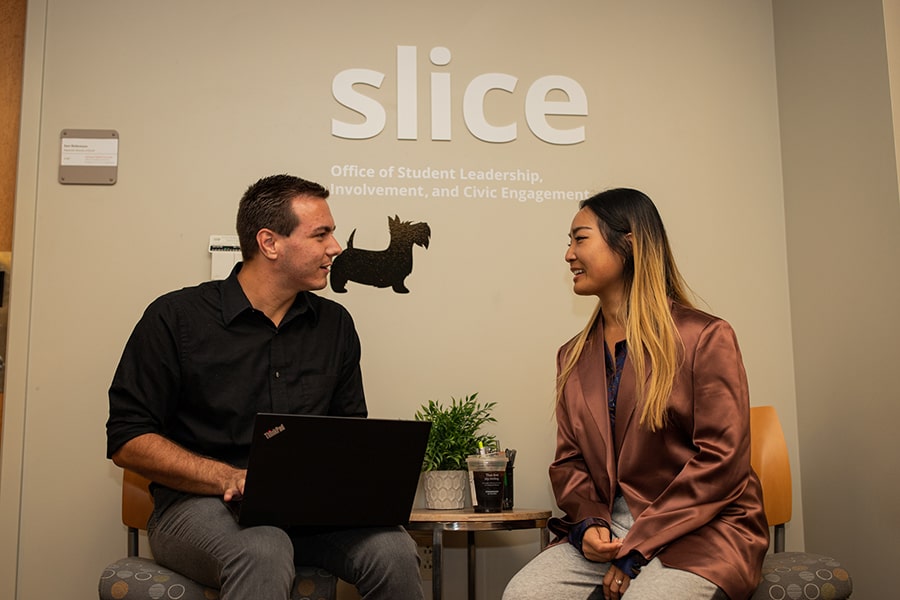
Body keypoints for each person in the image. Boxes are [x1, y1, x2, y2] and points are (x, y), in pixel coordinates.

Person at [106, 174, 424, 600]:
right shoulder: (175, 318)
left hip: (310, 514)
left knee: (394, 549)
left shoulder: (335, 325)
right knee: (263, 546)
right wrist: (228, 476)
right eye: (321, 234)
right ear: (270, 243)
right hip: (196, 509)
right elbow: (127, 438)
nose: (336, 247)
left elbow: (350, 434)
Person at [503, 188, 768, 600]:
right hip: (612, 529)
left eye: (580, 238)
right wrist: (590, 524)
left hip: (703, 529)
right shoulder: (571, 356)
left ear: (629, 244)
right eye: (568, 242)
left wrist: (640, 548)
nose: (569, 254)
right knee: (523, 594)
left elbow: (722, 461)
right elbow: (569, 463)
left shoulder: (705, 337)